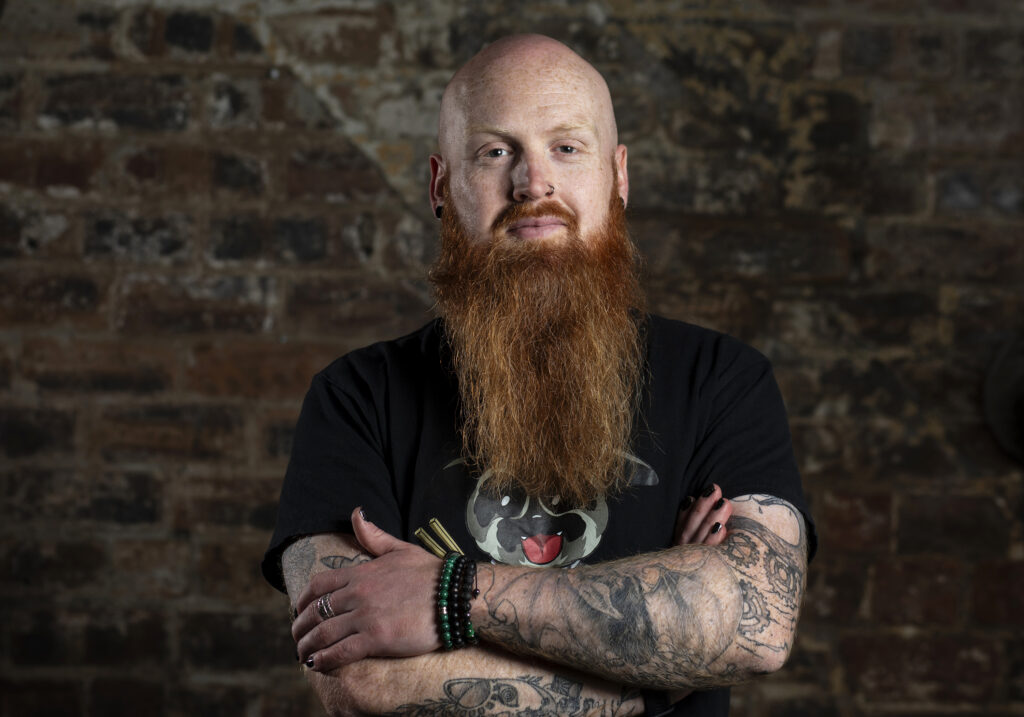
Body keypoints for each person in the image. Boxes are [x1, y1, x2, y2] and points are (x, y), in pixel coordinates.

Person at [262, 33, 816, 716]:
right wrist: (663, 672)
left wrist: (449, 595)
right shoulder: (356, 398)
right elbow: (361, 683)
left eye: (567, 147)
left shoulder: (722, 380)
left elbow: (756, 622)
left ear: (618, 176)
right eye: (496, 152)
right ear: (442, 185)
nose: (533, 182)